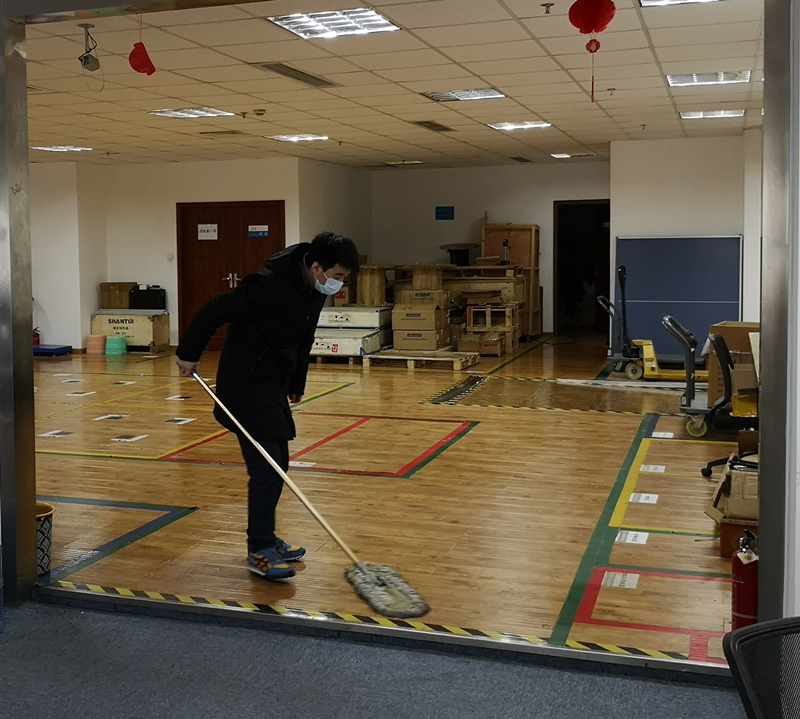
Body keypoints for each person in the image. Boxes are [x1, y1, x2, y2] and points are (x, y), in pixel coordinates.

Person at [175, 232, 359, 580]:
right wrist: (188, 353)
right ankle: (259, 549)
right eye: (337, 276)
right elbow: (215, 310)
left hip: (271, 383)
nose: (339, 284)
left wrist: (296, 383)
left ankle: (267, 538)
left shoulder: (314, 291)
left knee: (280, 463)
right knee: (266, 468)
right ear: (317, 268)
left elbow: (303, 339)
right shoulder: (266, 285)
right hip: (244, 382)